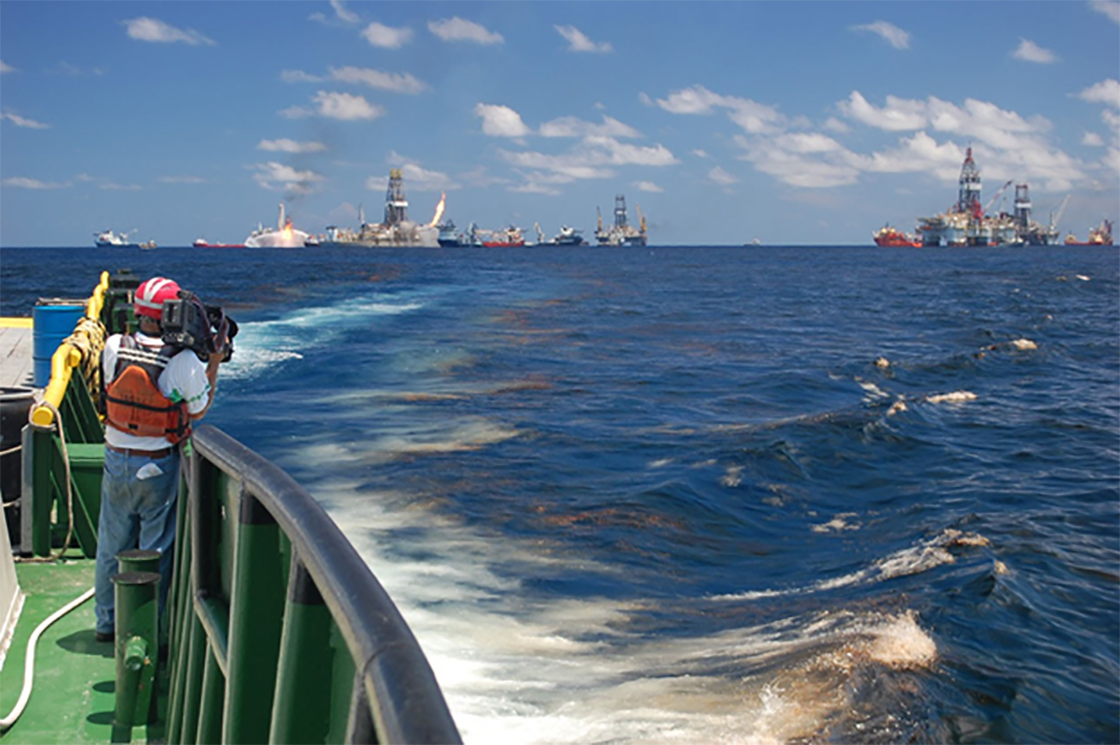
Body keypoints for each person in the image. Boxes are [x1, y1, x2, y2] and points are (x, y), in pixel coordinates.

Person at [93, 276, 223, 643]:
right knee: (155, 553)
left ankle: (106, 623)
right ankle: (149, 631)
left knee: (111, 545)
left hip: (117, 458)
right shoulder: (181, 360)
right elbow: (198, 410)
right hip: (158, 464)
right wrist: (213, 362)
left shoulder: (114, 346)